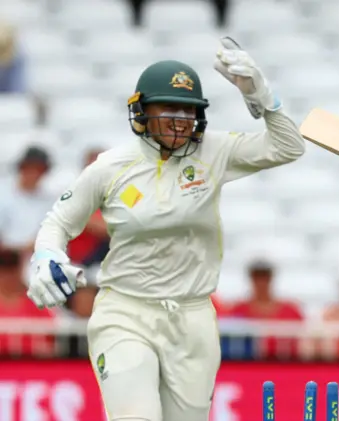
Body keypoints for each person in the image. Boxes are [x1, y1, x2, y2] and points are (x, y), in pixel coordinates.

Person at [25, 37, 304, 421]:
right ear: (141, 111)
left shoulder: (214, 151)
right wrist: (47, 255)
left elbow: (289, 147)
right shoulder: (111, 166)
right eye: (168, 108)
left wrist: (261, 95)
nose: (179, 119)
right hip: (126, 311)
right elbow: (57, 223)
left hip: (193, 318)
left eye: (188, 110)